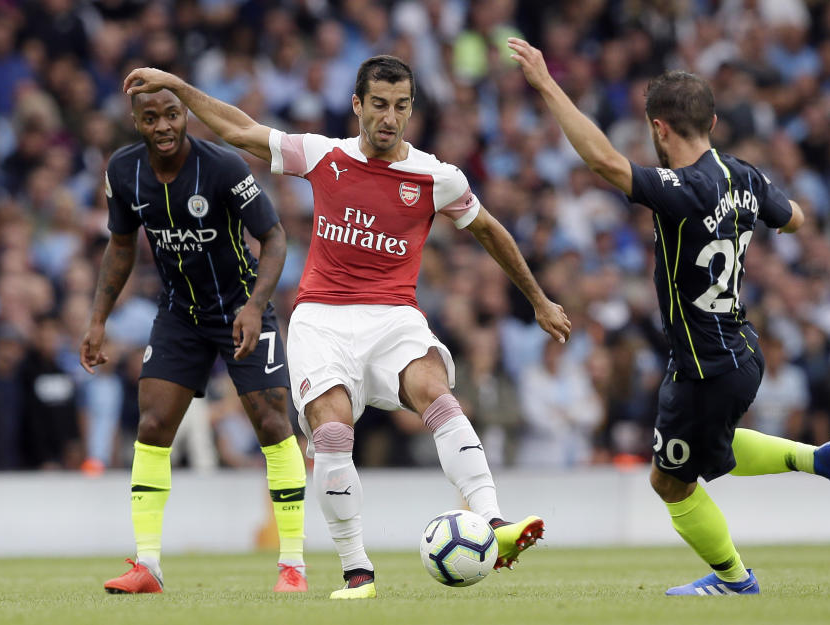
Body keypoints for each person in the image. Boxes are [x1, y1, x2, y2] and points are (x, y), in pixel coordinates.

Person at [124, 55, 572, 600]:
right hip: (322, 319)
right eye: (379, 104)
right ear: (358, 105)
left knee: (437, 392)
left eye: (401, 106)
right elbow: (238, 129)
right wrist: (175, 84)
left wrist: (540, 299)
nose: (389, 117)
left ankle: (494, 522)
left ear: (412, 110)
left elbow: (491, 232)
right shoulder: (324, 156)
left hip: (393, 317)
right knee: (333, 432)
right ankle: (357, 571)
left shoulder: (437, 177)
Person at [508, 38, 830, 596]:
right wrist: (756, 210)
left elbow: (602, 161)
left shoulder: (683, 189)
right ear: (711, 120)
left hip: (705, 364)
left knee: (670, 481)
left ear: (660, 129)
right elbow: (799, 219)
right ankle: (821, 459)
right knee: (717, 449)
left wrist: (545, 84)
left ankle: (735, 578)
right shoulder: (743, 176)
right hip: (738, 348)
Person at [80, 85, 308, 594]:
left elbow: (273, 238)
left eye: (171, 115)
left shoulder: (224, 166)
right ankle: (148, 566)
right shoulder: (123, 171)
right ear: (136, 123)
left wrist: (254, 307)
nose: (162, 126)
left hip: (240, 310)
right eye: (150, 118)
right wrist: (98, 320)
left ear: (185, 115)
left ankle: (292, 565)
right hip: (179, 314)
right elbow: (120, 246)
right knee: (154, 422)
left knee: (273, 422)